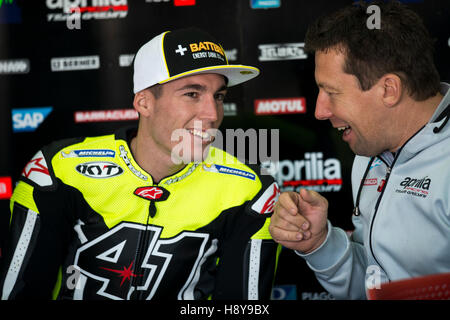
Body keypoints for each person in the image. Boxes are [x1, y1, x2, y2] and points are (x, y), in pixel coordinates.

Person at [0, 27, 280, 300]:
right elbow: (20, 291)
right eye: (192, 94)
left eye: (218, 96)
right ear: (144, 103)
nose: (212, 113)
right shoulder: (59, 169)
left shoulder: (248, 189)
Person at [269, 1, 450, 299]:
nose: (319, 111)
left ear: (388, 89)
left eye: (332, 92)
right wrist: (320, 244)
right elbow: (374, 287)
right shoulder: (368, 154)